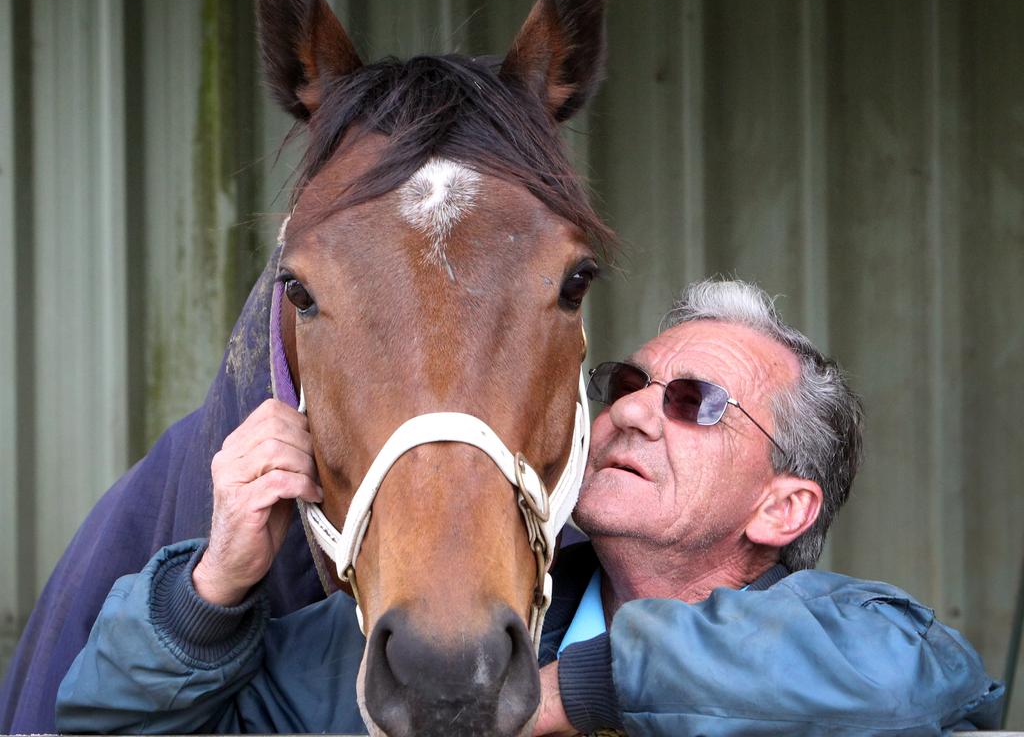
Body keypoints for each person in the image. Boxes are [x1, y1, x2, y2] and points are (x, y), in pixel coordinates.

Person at [54, 279, 1004, 735]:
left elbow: (904, 684)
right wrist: (215, 584)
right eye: (628, 381)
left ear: (783, 507)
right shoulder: (419, 642)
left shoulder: (850, 648)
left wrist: (576, 692)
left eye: (693, 402)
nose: (628, 410)